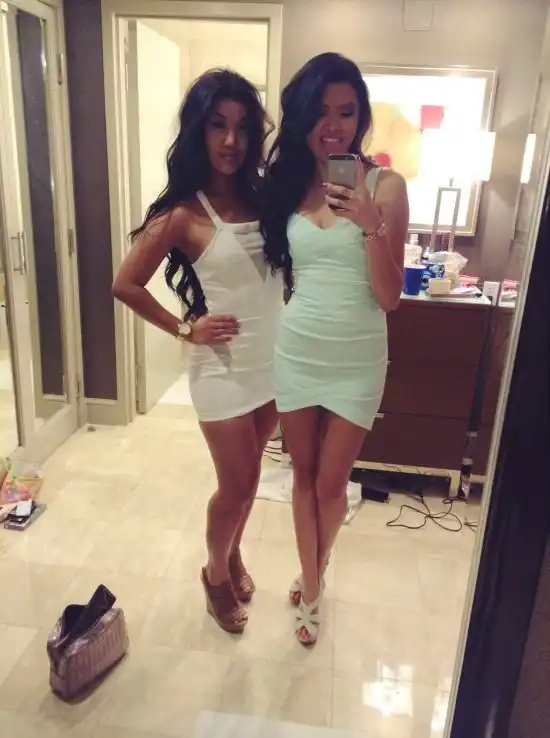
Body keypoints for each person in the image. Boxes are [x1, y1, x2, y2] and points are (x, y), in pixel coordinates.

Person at [113, 69, 281, 634]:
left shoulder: (267, 199)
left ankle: (232, 553)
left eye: (242, 127)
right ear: (197, 131)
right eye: (217, 125)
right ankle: (214, 574)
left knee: (250, 480)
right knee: (237, 484)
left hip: (271, 365)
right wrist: (186, 329)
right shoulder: (182, 214)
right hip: (221, 370)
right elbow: (125, 284)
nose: (231, 140)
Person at [261, 53, 409, 645]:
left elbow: (389, 296)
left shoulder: (387, 187)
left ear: (360, 117)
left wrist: (370, 220)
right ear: (302, 116)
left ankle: (313, 575)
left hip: (357, 359)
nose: (334, 125)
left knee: (331, 484)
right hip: (298, 350)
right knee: (302, 476)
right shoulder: (289, 187)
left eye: (346, 112)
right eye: (321, 111)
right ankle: (313, 585)